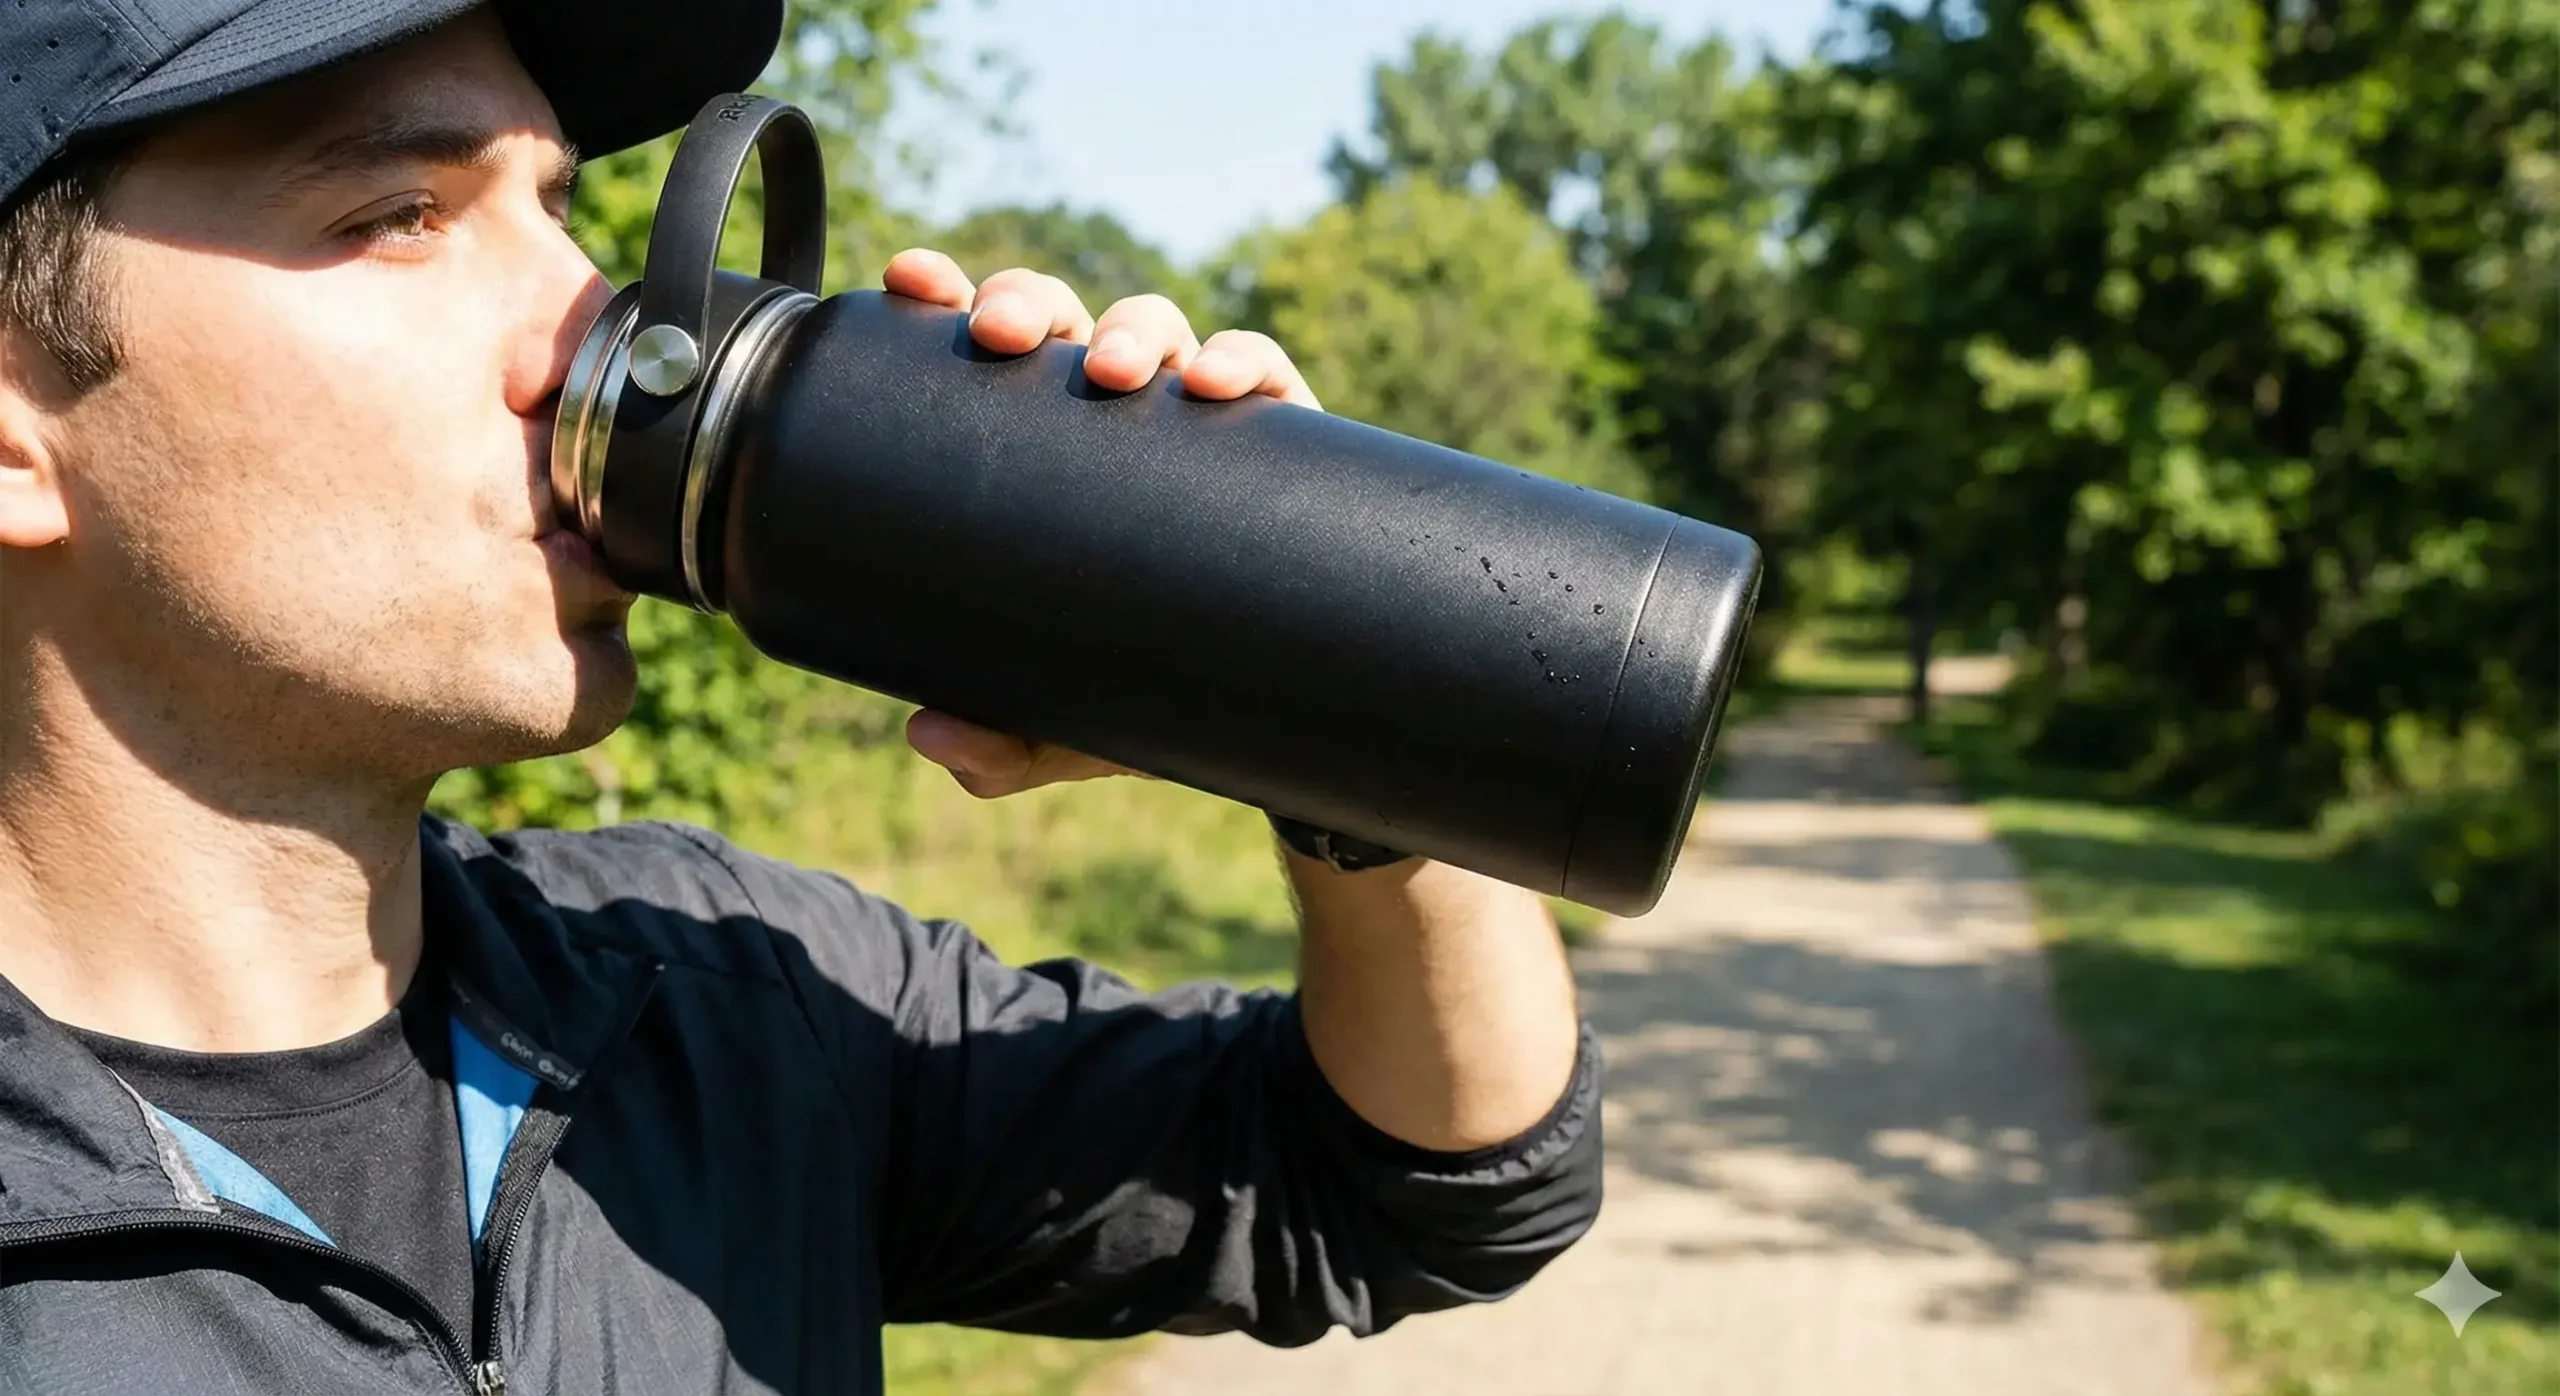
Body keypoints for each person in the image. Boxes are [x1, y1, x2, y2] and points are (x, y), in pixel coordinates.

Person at [0, 2, 1602, 1393]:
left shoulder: (708, 997)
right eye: (398, 212)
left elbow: (1419, 1183)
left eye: (560, 211)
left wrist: (1314, 672)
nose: (590, 326)